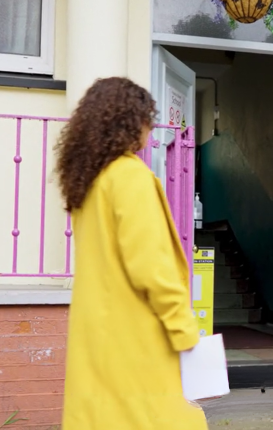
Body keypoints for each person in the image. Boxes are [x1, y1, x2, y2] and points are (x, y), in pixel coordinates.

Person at [55, 77, 208, 430]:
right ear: (129, 122)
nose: (150, 130)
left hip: (99, 341)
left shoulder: (90, 183)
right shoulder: (129, 177)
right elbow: (152, 268)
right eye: (146, 120)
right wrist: (185, 331)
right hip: (136, 340)